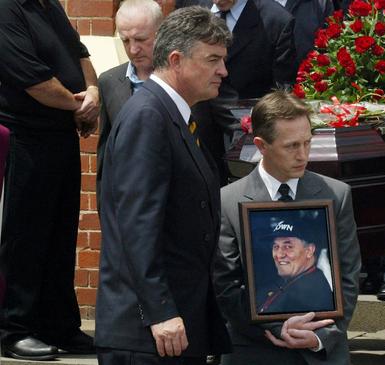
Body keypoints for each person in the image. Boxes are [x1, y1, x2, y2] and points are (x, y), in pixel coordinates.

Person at [95, 7, 232, 364]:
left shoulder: (172, 114)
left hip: (174, 324)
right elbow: (137, 226)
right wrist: (160, 311)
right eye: (213, 59)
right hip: (148, 333)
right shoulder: (148, 117)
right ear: (176, 59)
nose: (223, 71)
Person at [213, 90, 361, 364]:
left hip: (321, 350)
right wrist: (278, 329)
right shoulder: (227, 201)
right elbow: (226, 285)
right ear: (261, 145)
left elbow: (348, 275)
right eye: (291, 146)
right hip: (255, 350)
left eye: (307, 143)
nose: (303, 155)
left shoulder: (336, 194)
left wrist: (321, 336)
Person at [0, 0, 99, 360]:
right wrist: (80, 106)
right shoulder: (8, 9)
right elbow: (33, 81)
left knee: (60, 236)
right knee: (25, 237)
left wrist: (94, 93)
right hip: (24, 137)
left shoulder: (49, 6)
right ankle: (15, 329)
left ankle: (58, 324)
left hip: (60, 136)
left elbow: (81, 54)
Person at [96, 0, 162, 198]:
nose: (133, 49)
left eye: (141, 39)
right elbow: (105, 155)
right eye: (125, 41)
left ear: (161, 33)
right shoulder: (109, 82)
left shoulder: (184, 79)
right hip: (125, 200)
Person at [210, 0, 296, 100]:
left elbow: (282, 88)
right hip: (196, 110)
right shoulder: (193, 5)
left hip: (247, 111)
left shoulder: (276, 20)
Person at [256, 220, 333, 315]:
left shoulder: (309, 293)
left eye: (288, 247)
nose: (279, 255)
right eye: (276, 247)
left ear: (309, 250)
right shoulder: (293, 280)